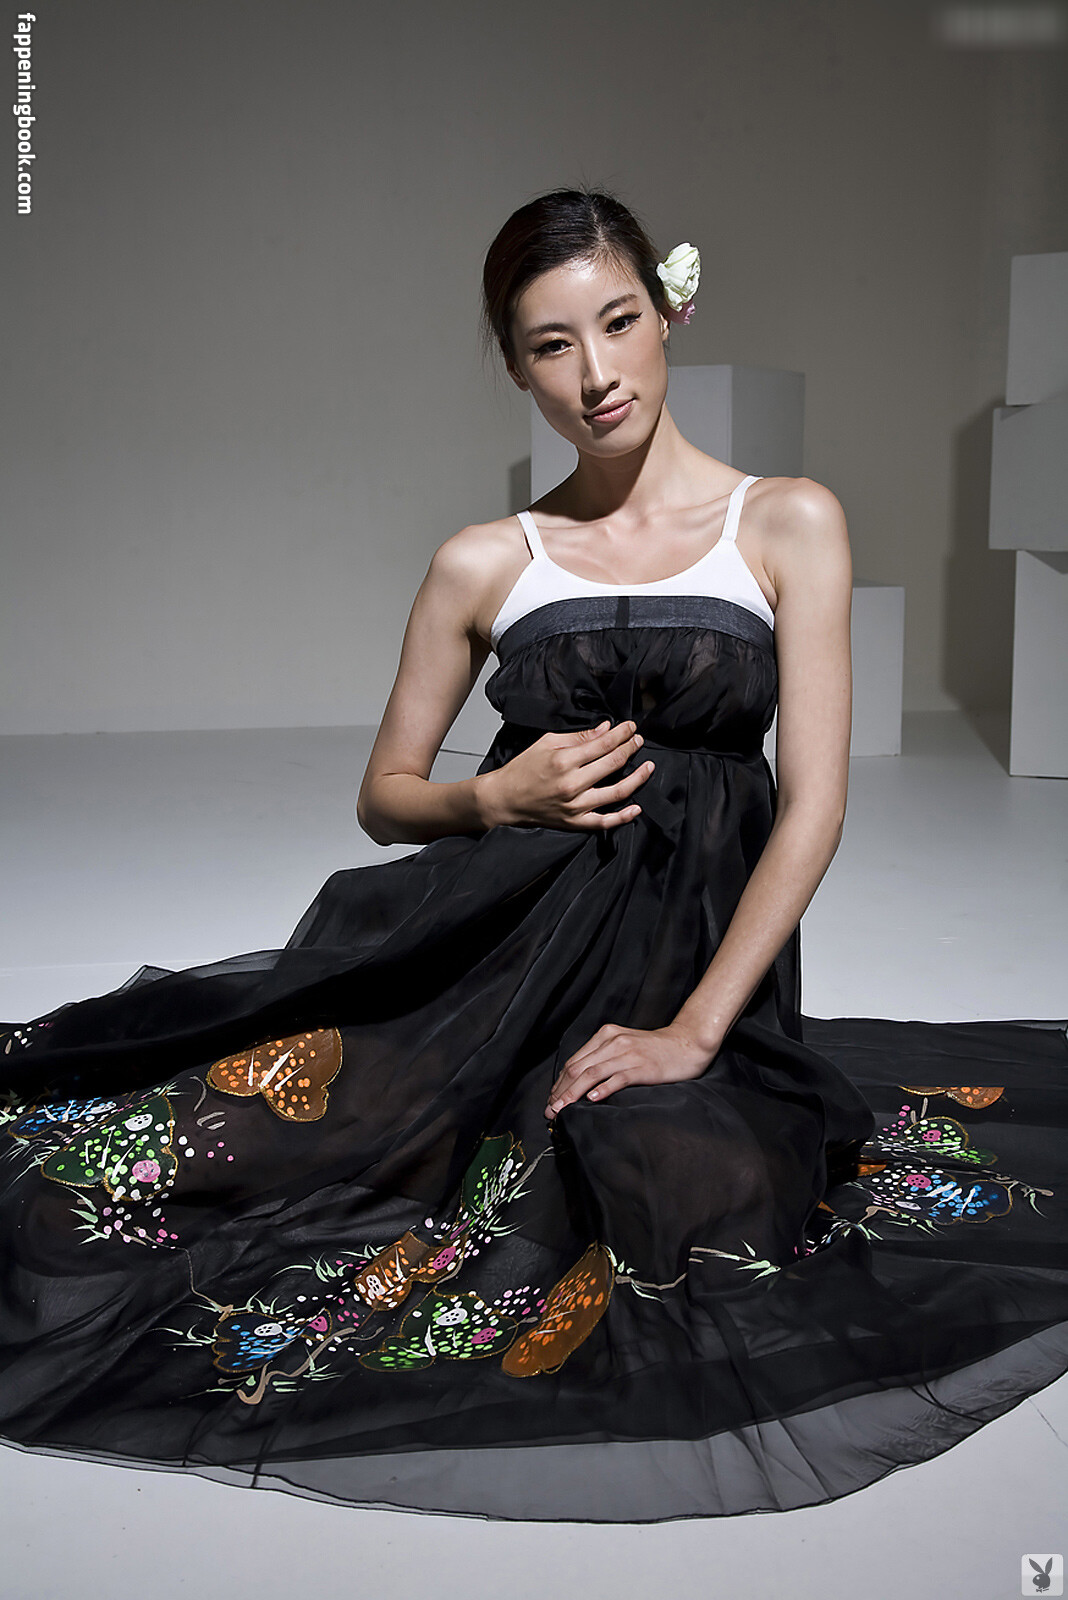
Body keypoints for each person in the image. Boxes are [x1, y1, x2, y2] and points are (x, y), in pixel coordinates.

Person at [0, 186, 1065, 1523]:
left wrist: (693, 1033)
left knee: (690, 1191)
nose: (595, 373)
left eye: (617, 323)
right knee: (195, 1158)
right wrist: (497, 796)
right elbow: (386, 798)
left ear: (670, 314)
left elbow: (813, 805)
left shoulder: (787, 521)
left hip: (692, 977)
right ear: (515, 367)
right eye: (551, 345)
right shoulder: (485, 560)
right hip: (492, 967)